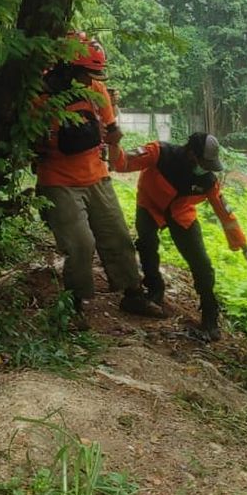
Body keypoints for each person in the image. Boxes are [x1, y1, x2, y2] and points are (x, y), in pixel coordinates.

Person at [33, 32, 164, 324]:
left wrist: (116, 141)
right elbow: (28, 139)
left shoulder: (96, 89)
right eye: (85, 73)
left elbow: (111, 129)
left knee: (117, 235)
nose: (90, 80)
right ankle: (75, 305)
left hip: (97, 175)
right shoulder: (39, 93)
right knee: (80, 243)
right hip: (58, 179)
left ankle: (133, 294)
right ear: (66, 66)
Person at [113, 133, 247, 341]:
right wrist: (113, 142)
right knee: (146, 244)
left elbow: (225, 214)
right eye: (203, 162)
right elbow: (122, 163)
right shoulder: (159, 152)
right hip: (150, 204)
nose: (206, 168)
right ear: (191, 154)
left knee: (201, 263)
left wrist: (245, 248)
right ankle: (154, 291)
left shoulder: (208, 180)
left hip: (181, 214)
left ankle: (210, 317)